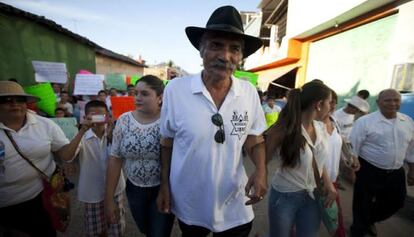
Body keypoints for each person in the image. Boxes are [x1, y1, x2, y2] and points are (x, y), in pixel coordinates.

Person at [157, 6, 267, 237]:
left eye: (234, 49)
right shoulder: (176, 90)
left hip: (235, 200)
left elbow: (254, 138)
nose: (225, 56)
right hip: (190, 201)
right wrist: (164, 185)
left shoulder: (248, 92)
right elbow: (167, 142)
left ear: (240, 57)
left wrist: (261, 171)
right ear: (201, 49)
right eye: (216, 45)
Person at [0, 81, 83, 237]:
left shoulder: (45, 125)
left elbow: (66, 154)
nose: (14, 104)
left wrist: (81, 132)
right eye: (6, 100)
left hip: (41, 198)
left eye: (19, 100)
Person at [265, 81, 337, 237]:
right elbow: (262, 162)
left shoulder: (321, 128)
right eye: (329, 102)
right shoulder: (284, 129)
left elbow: (319, 161)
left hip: (313, 196)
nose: (331, 107)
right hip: (285, 197)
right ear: (318, 104)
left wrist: (329, 184)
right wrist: (259, 180)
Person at [106, 75, 174, 237]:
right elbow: (115, 159)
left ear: (160, 97)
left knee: (158, 233)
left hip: (164, 188)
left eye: (144, 94)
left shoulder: (169, 121)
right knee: (145, 229)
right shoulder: (123, 121)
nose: (137, 98)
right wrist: (108, 199)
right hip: (134, 190)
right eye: (136, 93)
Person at [349, 89, 414, 237]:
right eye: (387, 100)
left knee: (397, 202)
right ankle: (358, 230)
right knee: (362, 203)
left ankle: (368, 220)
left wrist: (412, 170)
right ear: (378, 103)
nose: (392, 103)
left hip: (396, 171)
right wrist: (352, 170)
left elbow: (411, 149)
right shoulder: (364, 122)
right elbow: (353, 147)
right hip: (368, 169)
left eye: (396, 100)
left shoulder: (408, 121)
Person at [61, 100, 126, 237]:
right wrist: (82, 130)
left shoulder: (116, 134)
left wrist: (114, 132)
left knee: (116, 228)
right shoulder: (82, 136)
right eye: (92, 116)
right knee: (95, 231)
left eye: (101, 115)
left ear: (107, 116)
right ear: (85, 117)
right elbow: (67, 156)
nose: (97, 119)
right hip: (92, 193)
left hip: (115, 189)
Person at [317, 89, 360, 237]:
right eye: (329, 101)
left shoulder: (334, 120)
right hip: (312, 183)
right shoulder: (309, 123)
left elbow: (341, 141)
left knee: (335, 220)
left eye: (334, 101)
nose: (333, 105)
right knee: (304, 223)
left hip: (332, 180)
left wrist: (350, 157)